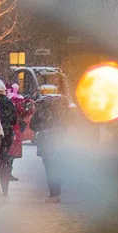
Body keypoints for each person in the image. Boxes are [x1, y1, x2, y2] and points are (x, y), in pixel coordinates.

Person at [36, 73, 69, 203]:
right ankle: (58, 192)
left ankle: (53, 194)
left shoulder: (42, 105)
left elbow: (34, 125)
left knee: (49, 166)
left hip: (46, 139)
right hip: (60, 138)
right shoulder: (64, 104)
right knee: (58, 164)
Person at [0, 80, 27, 199]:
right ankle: (5, 186)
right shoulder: (11, 101)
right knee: (7, 157)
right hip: (10, 133)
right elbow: (16, 117)